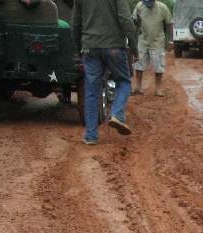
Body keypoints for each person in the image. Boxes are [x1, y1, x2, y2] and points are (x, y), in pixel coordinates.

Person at [71, 0, 137, 144]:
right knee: (124, 82)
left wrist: (78, 48)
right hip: (114, 46)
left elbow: (75, 23)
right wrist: (133, 45)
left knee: (91, 91)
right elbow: (126, 19)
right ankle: (116, 114)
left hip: (90, 47)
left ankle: (91, 136)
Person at [132, 0, 172, 97]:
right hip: (142, 40)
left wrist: (170, 41)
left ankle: (158, 89)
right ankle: (138, 87)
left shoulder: (162, 8)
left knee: (158, 67)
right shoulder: (139, 6)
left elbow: (169, 24)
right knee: (138, 65)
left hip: (157, 41)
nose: (148, 5)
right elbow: (134, 22)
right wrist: (133, 40)